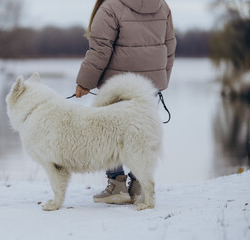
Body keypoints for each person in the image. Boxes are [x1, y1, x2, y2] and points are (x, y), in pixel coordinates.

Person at [75, 0, 176, 204]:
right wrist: (161, 79)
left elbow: (100, 50)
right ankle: (139, 184)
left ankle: (116, 185)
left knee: (109, 134)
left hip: (117, 85)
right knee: (141, 135)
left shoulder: (110, 7)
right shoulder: (161, 5)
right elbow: (170, 45)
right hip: (148, 87)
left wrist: (84, 83)